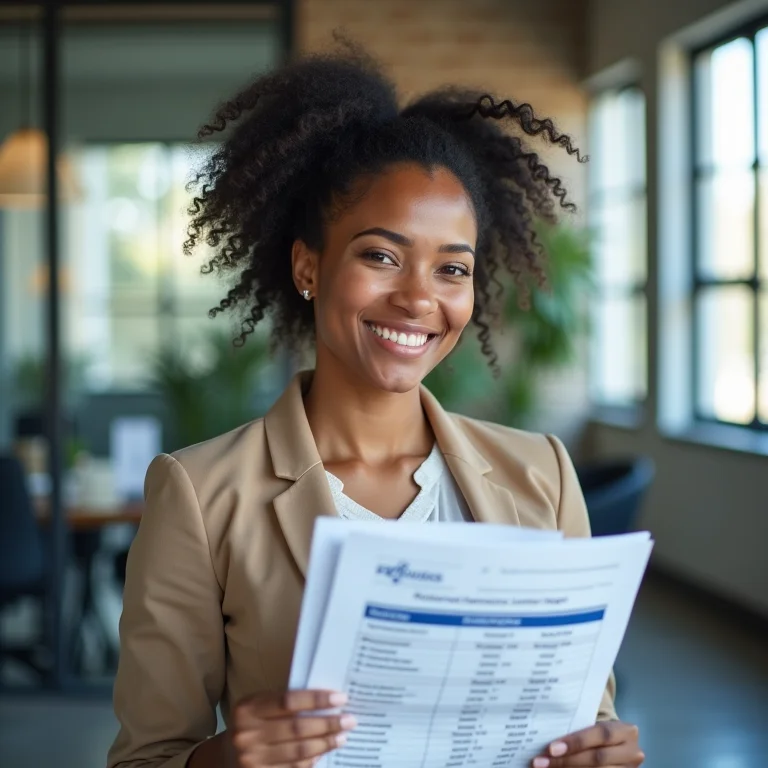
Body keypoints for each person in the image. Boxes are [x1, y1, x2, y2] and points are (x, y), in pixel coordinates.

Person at [108, 43, 644, 768]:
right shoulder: (201, 497)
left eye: (451, 268)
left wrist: (600, 752)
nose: (419, 298)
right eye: (381, 256)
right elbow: (146, 758)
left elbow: (587, 716)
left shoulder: (541, 476)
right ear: (308, 266)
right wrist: (225, 759)